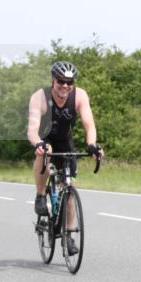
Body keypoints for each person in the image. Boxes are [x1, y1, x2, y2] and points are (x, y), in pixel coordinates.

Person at [26, 61, 103, 255]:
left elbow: (89, 124)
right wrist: (38, 144)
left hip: (65, 140)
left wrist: (92, 145)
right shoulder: (39, 97)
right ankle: (41, 195)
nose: (65, 86)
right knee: (46, 151)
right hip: (45, 138)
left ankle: (68, 236)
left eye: (70, 82)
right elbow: (32, 130)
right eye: (61, 81)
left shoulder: (79, 96)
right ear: (54, 80)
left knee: (70, 188)